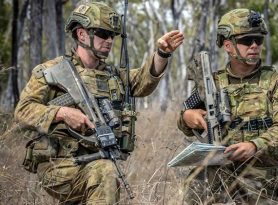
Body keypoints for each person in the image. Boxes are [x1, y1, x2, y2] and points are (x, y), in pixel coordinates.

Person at [14, 2, 183, 204]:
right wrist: (62, 113)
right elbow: (23, 111)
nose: (109, 40)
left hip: (97, 160)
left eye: (112, 35)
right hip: (60, 165)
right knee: (105, 173)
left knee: (104, 174)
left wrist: (162, 54)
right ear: (81, 34)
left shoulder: (112, 75)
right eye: (103, 33)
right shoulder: (50, 71)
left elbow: (141, 83)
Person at [177, 8, 278, 204]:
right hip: (219, 169)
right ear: (228, 45)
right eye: (246, 40)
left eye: (258, 40)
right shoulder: (211, 83)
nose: (254, 46)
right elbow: (184, 122)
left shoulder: (276, 82)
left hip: (262, 174)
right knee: (195, 183)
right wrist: (187, 117)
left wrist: (254, 145)